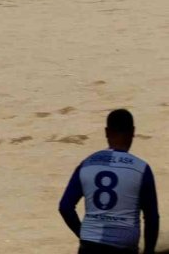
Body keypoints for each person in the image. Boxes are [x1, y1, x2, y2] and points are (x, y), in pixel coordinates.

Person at [59, 109, 159, 254]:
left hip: (89, 247)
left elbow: (65, 207)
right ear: (133, 132)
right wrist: (149, 251)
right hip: (123, 248)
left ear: (106, 132)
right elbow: (151, 218)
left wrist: (84, 235)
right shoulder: (141, 168)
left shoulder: (87, 164)